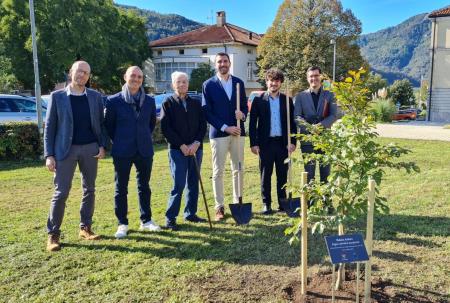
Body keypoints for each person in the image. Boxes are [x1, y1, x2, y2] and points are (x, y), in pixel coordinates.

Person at [44, 60, 108, 252]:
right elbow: (50, 128)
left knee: (90, 189)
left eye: (86, 73)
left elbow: (102, 124)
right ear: (71, 72)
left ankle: (85, 228)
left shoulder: (96, 97)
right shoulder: (57, 97)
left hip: (90, 149)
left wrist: (102, 145)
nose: (82, 75)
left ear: (89, 76)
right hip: (65, 150)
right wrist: (49, 155)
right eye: (79, 71)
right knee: (61, 193)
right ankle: (53, 234)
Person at [104, 66, 160, 239]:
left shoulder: (150, 101)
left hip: (144, 149)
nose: (136, 79)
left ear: (142, 79)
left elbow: (150, 124)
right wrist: (121, 139)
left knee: (144, 186)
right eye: (133, 76)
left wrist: (141, 137)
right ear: (125, 77)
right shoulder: (113, 101)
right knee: (121, 188)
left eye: (139, 77)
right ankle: (122, 223)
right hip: (122, 150)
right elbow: (109, 126)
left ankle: (146, 220)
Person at [202, 52, 248, 221]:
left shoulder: (238, 83)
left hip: (238, 132)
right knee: (218, 171)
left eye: (225, 61)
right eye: (219, 61)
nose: (223, 64)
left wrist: (242, 115)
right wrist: (225, 127)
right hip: (219, 134)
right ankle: (219, 207)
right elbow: (207, 112)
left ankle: (238, 203)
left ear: (229, 63)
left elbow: (244, 106)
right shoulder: (208, 85)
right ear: (216, 64)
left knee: (238, 169)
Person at [160, 71, 207, 230]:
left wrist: (196, 143)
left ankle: (190, 213)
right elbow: (166, 129)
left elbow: (202, 126)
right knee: (178, 184)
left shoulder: (195, 103)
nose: (182, 84)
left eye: (184, 82)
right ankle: (170, 217)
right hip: (177, 150)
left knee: (193, 182)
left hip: (195, 149)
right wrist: (181, 145)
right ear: (173, 84)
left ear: (188, 84)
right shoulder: (168, 103)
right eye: (178, 82)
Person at [249, 68, 297, 215]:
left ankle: (283, 204)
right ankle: (266, 204)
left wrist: (293, 141)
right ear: (267, 81)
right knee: (266, 174)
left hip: (283, 144)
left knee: (282, 174)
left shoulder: (287, 100)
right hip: (265, 144)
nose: (273, 83)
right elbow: (252, 124)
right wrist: (253, 143)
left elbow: (292, 123)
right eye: (271, 80)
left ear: (280, 83)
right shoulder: (258, 100)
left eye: (276, 81)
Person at [293, 66, 338, 207]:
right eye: (311, 76)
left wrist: (321, 126)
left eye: (316, 76)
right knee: (309, 173)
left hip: (325, 139)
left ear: (321, 77)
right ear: (307, 79)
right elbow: (297, 117)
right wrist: (310, 128)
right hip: (307, 140)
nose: (314, 78)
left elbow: (334, 115)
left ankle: (327, 202)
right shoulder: (300, 97)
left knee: (326, 173)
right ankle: (311, 203)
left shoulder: (330, 95)